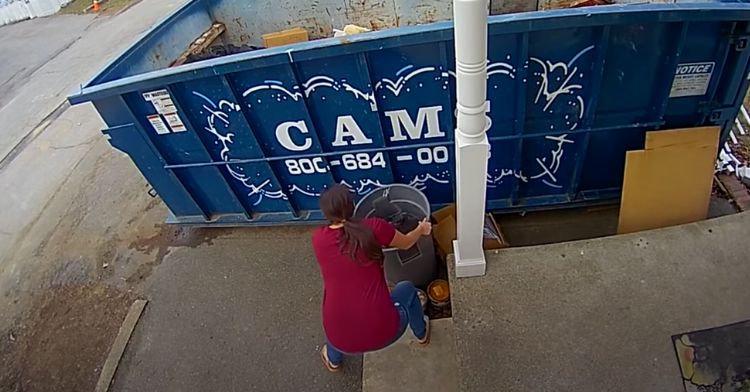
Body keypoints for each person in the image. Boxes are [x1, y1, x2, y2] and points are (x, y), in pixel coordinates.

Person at [312, 184, 433, 372]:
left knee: (337, 321)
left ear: (326, 214)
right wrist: (422, 229)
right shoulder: (374, 227)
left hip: (339, 337)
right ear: (352, 206)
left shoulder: (318, 239)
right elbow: (407, 242)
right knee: (406, 290)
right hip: (386, 332)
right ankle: (421, 334)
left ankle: (333, 360)